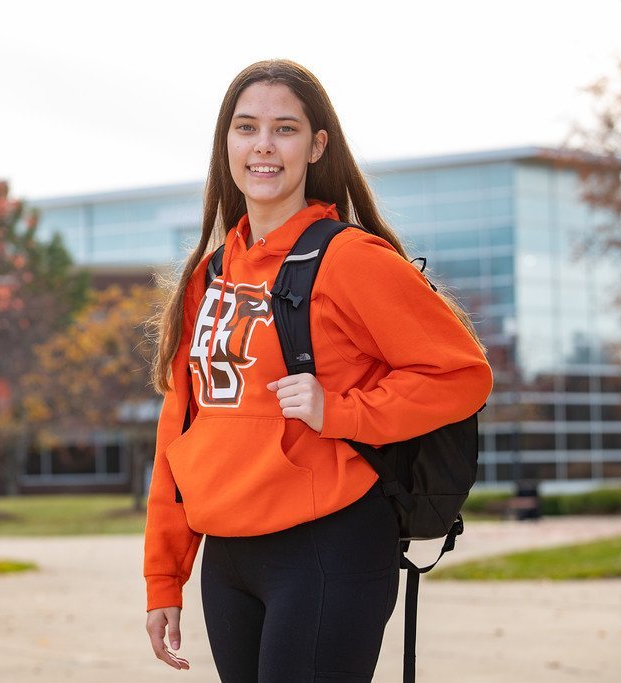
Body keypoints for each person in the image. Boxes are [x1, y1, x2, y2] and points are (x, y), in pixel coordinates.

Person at [142, 59, 494, 682]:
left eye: (285, 129)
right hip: (228, 561)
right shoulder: (211, 273)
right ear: (226, 143)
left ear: (316, 145)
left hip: (326, 548)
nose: (264, 146)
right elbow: (180, 430)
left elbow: (461, 375)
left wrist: (342, 411)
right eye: (246, 128)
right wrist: (164, 576)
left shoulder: (351, 258)